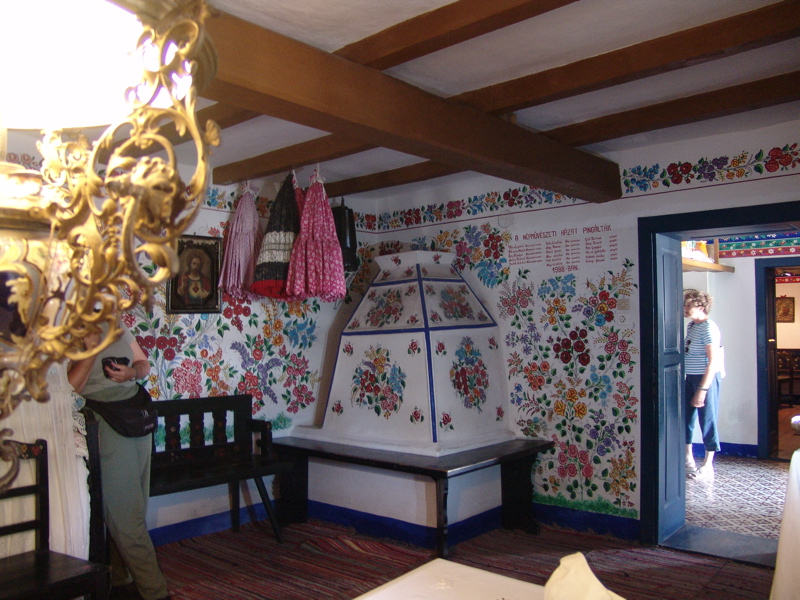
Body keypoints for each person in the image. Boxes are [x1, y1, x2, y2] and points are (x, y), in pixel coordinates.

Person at [68, 320, 170, 600]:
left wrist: (131, 373)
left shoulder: (114, 322)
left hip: (135, 415)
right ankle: (155, 592)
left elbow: (143, 363)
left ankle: (122, 581)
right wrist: (91, 351)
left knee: (134, 507)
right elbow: (68, 389)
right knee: (126, 515)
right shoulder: (64, 327)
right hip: (103, 418)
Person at [683, 289, 724, 480]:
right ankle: (688, 459)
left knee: (707, 419)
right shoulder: (692, 326)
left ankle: (708, 465)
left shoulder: (708, 328)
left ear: (700, 306)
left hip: (705, 379)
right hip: (689, 377)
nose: (685, 308)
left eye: (689, 305)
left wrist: (702, 390)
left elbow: (713, 362)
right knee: (686, 418)